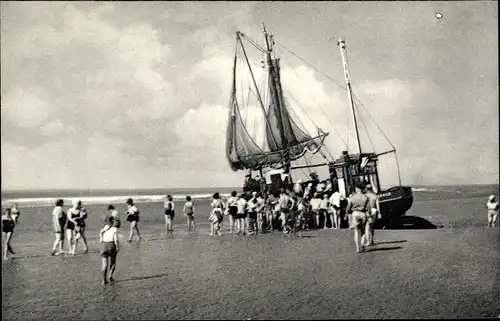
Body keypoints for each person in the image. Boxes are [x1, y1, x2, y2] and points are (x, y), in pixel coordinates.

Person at [345, 183, 369, 253]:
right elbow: (368, 208)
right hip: (363, 214)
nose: (355, 189)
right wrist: (369, 215)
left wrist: (346, 213)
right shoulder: (366, 197)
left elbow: (348, 207)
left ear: (358, 189)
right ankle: (362, 244)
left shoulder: (353, 197)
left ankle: (358, 248)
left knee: (356, 231)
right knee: (363, 231)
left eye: (355, 188)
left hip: (355, 214)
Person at [100, 216, 119, 285]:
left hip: (104, 245)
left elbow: (101, 240)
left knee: (104, 264)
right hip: (111, 245)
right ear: (112, 221)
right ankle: (110, 276)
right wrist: (117, 247)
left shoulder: (103, 229)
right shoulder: (114, 229)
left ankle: (103, 280)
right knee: (113, 262)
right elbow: (116, 239)